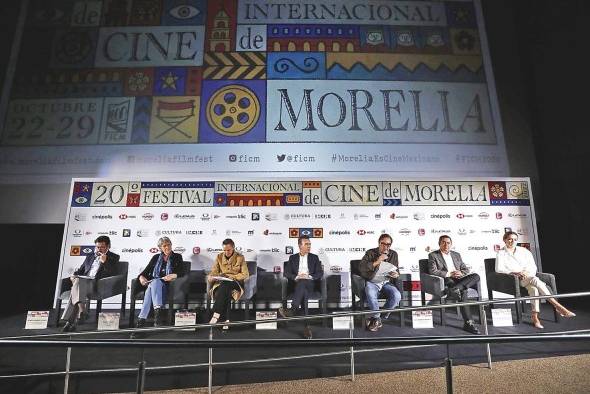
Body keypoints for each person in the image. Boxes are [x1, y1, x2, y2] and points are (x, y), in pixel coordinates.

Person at [496, 231, 575, 328]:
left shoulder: (524, 251)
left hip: (529, 276)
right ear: (504, 240)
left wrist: (526, 273)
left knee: (534, 289)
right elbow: (499, 269)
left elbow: (533, 267)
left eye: (515, 239)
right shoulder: (501, 253)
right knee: (535, 280)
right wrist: (515, 273)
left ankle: (535, 317)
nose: (512, 241)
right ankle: (557, 306)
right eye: (509, 239)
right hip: (515, 279)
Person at [61, 235, 120, 332]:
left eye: (102, 247)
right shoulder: (90, 256)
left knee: (75, 289)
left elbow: (113, 273)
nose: (99, 249)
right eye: (97, 247)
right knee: (78, 281)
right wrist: (73, 275)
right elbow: (81, 270)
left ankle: (75, 317)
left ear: (108, 246)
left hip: (97, 284)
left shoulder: (114, 257)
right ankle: (79, 315)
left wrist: (105, 262)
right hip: (83, 281)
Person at [427, 235, 481, 334]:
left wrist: (461, 273)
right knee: (463, 290)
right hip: (447, 279)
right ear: (439, 244)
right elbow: (433, 271)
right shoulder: (433, 255)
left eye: (448, 242)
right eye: (443, 242)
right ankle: (469, 323)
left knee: (476, 276)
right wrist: (449, 273)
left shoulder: (456, 255)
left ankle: (454, 289)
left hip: (460, 279)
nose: (446, 244)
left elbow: (465, 269)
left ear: (451, 244)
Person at [278, 235, 324, 339]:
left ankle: (292, 310)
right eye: (306, 244)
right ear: (300, 245)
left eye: (310, 244)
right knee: (303, 290)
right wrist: (297, 276)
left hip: (310, 283)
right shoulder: (293, 258)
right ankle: (306, 327)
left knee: (304, 282)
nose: (309, 246)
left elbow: (320, 273)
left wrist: (309, 276)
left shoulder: (314, 257)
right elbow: (286, 273)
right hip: (297, 284)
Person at [135, 236, 184, 328]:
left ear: (171, 245)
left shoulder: (177, 256)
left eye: (168, 244)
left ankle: (141, 321)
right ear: (160, 248)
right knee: (154, 283)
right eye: (164, 246)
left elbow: (181, 272)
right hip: (154, 286)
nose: (167, 247)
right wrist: (141, 277)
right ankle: (157, 314)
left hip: (167, 286)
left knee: (154, 283)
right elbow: (145, 272)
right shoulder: (156, 257)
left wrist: (173, 275)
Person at [359, 234, 402, 332]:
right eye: (383, 243)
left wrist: (396, 274)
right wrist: (378, 261)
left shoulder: (394, 254)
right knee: (369, 292)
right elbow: (362, 267)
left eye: (388, 244)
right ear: (379, 243)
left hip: (386, 281)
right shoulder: (370, 253)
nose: (386, 246)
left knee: (397, 296)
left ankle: (378, 318)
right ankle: (377, 318)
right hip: (372, 281)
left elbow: (397, 270)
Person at [208, 238, 249, 329]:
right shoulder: (219, 257)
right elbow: (214, 272)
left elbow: (245, 274)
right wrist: (211, 276)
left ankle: (216, 313)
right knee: (225, 288)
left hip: (235, 283)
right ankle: (226, 320)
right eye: (224, 250)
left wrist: (233, 277)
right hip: (222, 283)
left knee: (225, 286)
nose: (226, 252)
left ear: (233, 248)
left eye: (229, 250)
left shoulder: (240, 257)